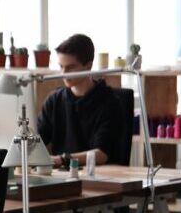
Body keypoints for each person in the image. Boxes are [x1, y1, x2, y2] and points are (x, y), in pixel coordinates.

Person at [37, 34, 122, 168]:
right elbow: (37, 141)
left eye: (70, 67)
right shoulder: (54, 100)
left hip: (98, 177)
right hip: (60, 177)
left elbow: (101, 154)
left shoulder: (110, 103)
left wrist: (61, 160)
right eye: (61, 66)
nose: (64, 73)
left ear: (88, 66)